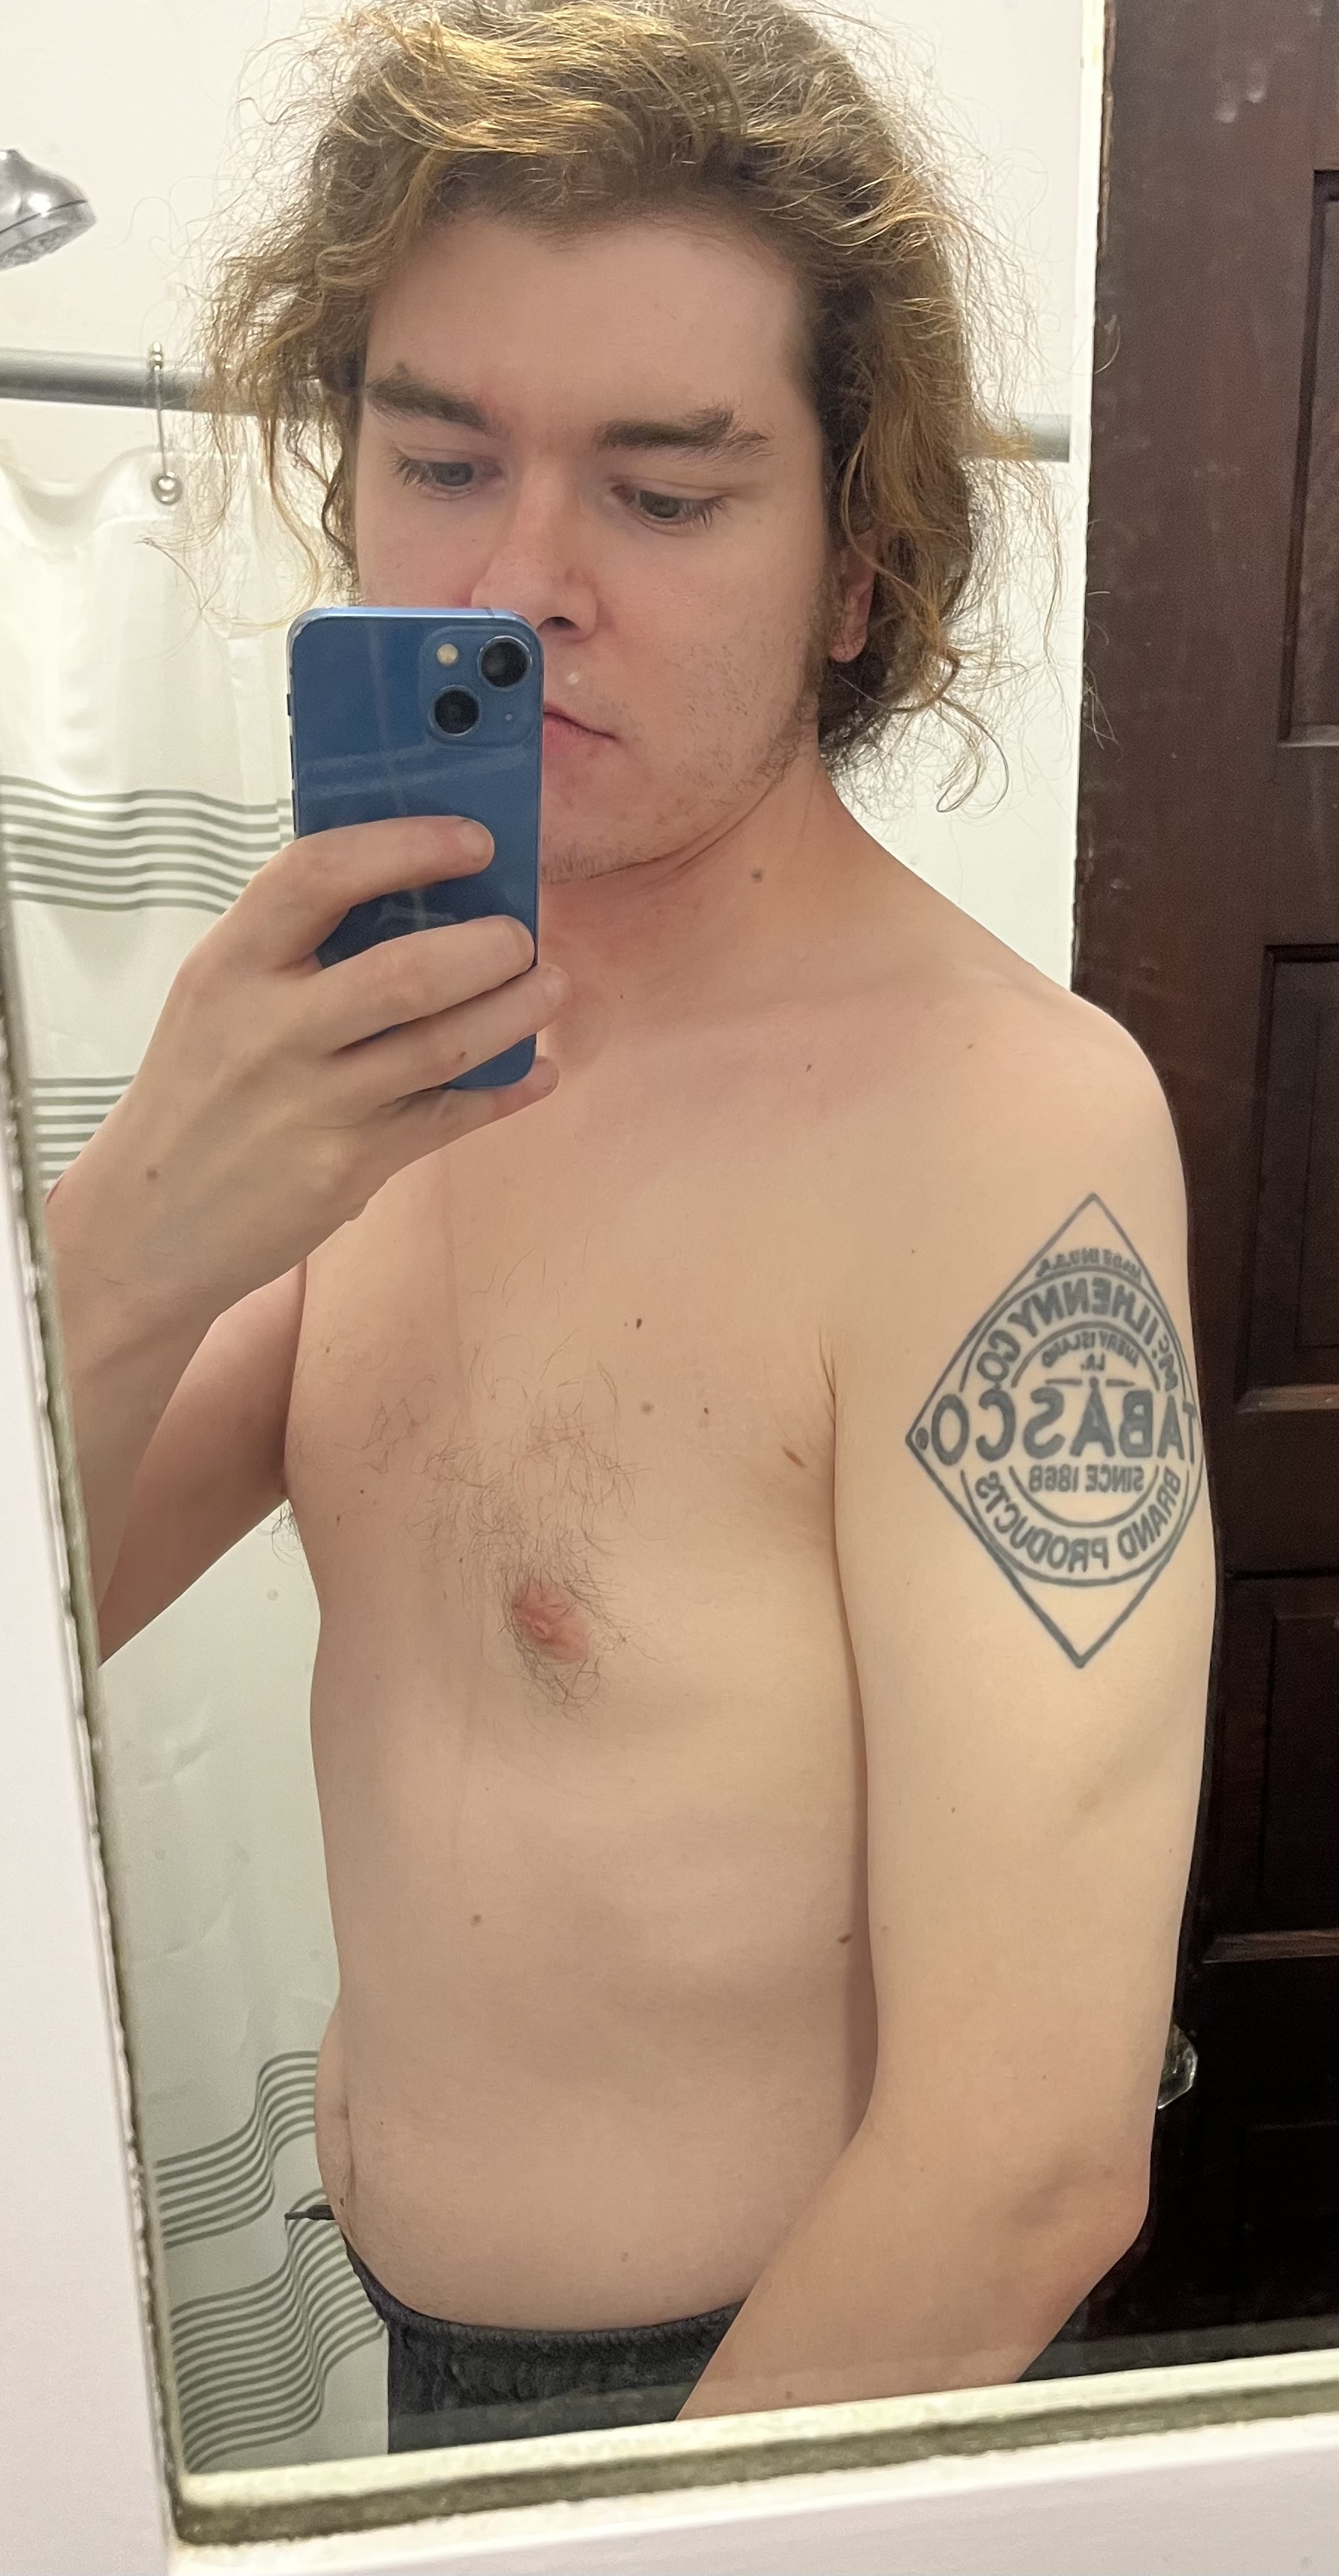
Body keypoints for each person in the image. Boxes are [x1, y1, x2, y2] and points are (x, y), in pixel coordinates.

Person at [43, 0, 1215, 2449]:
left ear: (858, 566)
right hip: (420, 2359)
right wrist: (144, 1219)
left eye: (665, 496)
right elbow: (67, 1600)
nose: (520, 581)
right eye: (439, 457)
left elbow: (1028, 2161)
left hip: (759, 2409)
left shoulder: (1004, 1134)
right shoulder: (377, 1040)